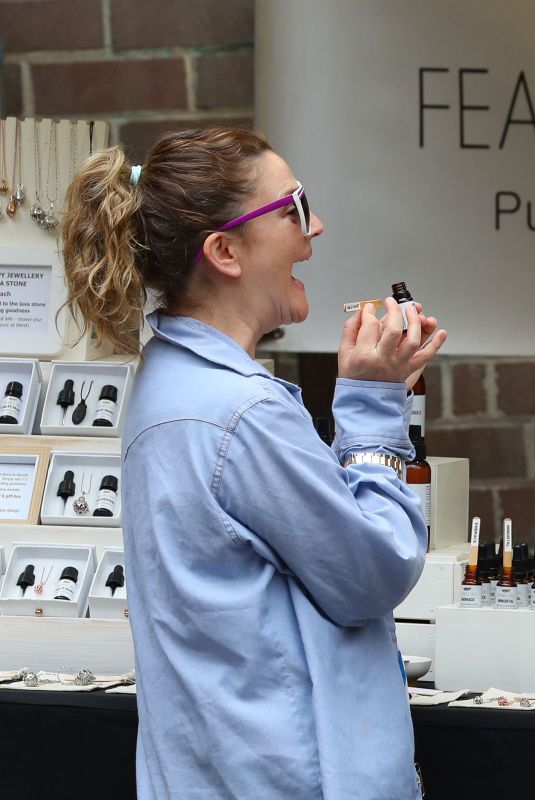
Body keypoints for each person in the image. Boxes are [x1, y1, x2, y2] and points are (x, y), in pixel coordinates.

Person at [61, 127, 447, 800]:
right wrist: (372, 409)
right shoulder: (240, 412)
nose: (315, 226)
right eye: (294, 207)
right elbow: (371, 572)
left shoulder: (172, 382)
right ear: (225, 251)